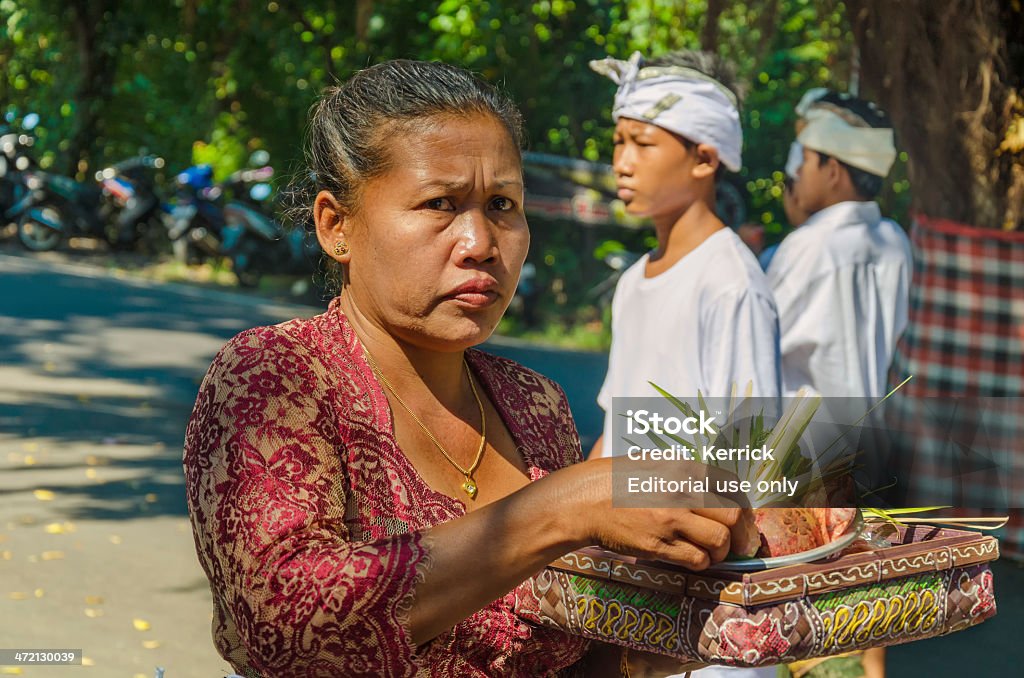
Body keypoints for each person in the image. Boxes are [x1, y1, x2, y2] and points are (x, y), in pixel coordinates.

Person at [183, 59, 749, 677]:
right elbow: (285, 628)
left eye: (503, 204)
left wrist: (690, 623)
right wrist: (561, 508)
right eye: (440, 204)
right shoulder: (277, 378)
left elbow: (568, 653)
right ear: (336, 225)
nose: (480, 241)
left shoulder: (534, 404)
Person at [587, 50, 781, 461]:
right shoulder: (633, 280)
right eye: (618, 142)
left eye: (642, 143)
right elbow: (615, 433)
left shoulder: (731, 284)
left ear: (705, 160)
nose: (621, 163)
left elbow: (749, 452)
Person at [766, 92, 912, 401]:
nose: (797, 173)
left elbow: (758, 342)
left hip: (806, 444)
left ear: (832, 172)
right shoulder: (895, 241)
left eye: (805, 160)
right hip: (873, 437)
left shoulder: (811, 245)